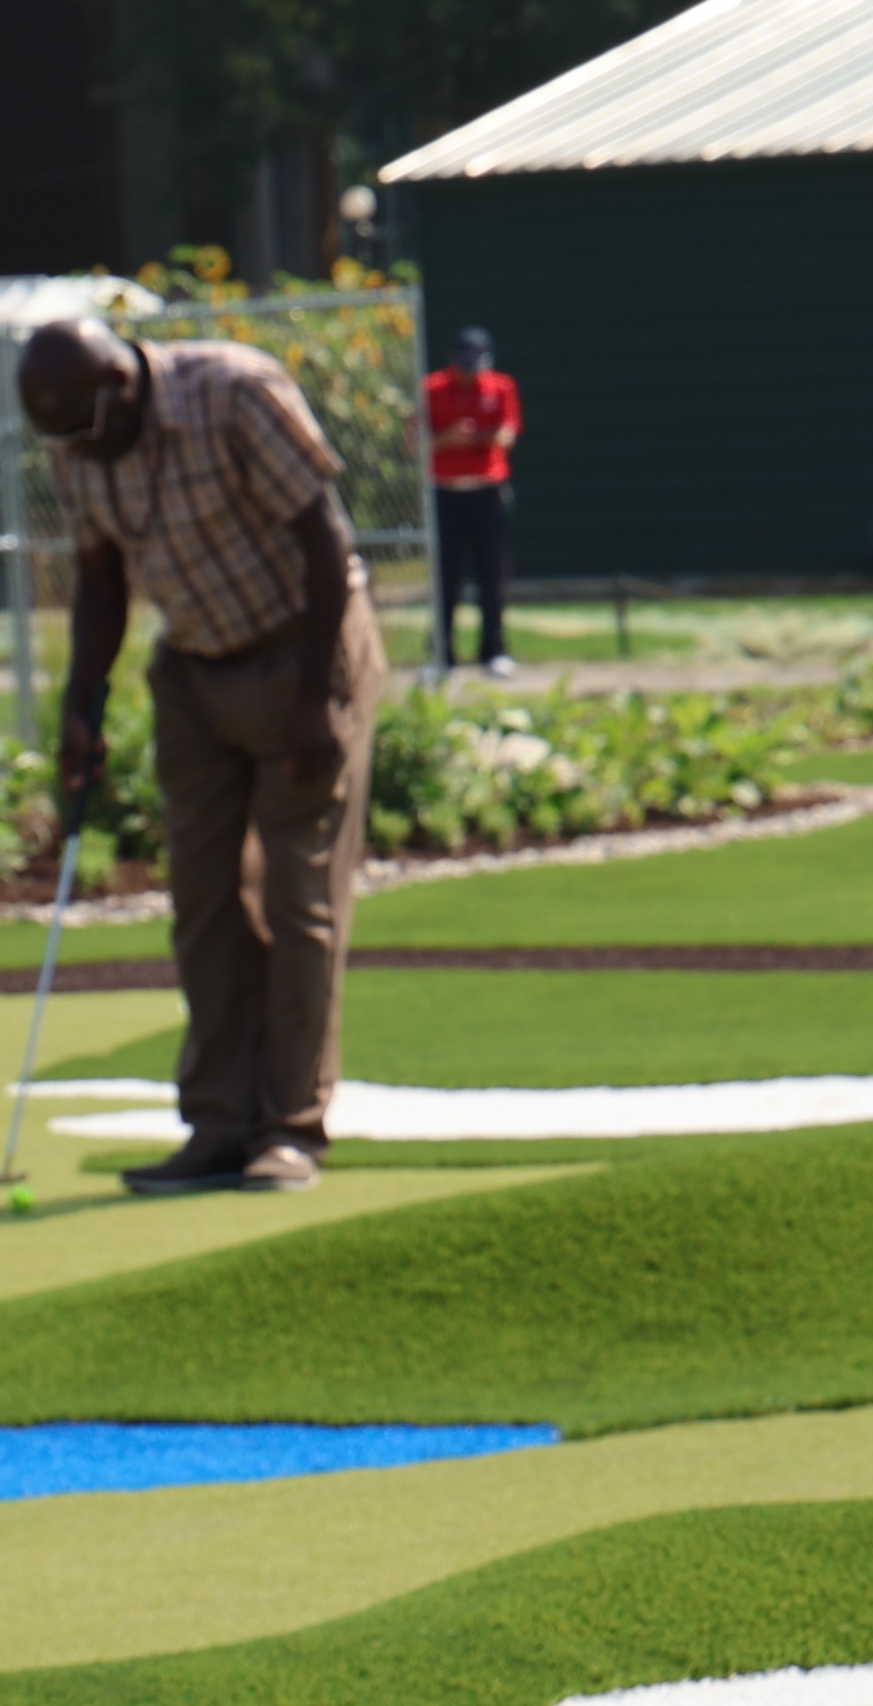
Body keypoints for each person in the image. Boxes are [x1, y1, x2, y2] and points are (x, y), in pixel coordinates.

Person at [31, 313, 377, 1194]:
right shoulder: (78, 440)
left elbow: (326, 546)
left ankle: (290, 1129)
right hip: (193, 671)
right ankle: (218, 1127)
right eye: (59, 440)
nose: (77, 453)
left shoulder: (234, 392)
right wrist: (83, 708)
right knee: (204, 904)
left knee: (300, 904)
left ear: (121, 386)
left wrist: (313, 699)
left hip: (304, 651)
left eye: (84, 431)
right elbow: (102, 584)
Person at [422, 323, 521, 676]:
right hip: (445, 493)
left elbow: (507, 435)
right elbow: (414, 443)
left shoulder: (501, 386)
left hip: (486, 490)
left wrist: (477, 437)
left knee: (491, 574)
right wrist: (448, 438)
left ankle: (493, 650)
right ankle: (441, 653)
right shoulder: (431, 389)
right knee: (444, 576)